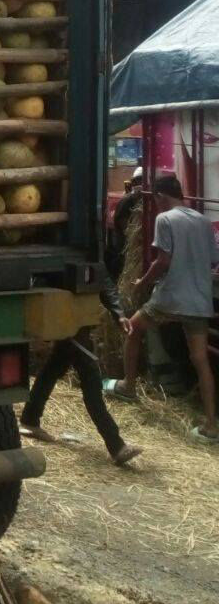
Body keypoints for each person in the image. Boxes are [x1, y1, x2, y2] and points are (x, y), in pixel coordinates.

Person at [104, 172, 219, 443]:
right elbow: (213, 261)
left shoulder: (164, 219)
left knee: (132, 328)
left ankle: (128, 386)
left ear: (160, 196)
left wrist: (142, 283)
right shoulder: (203, 222)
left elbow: (163, 261)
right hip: (199, 302)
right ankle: (212, 426)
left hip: (170, 298)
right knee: (201, 361)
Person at [19, 269, 142, 465]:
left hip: (79, 320)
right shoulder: (60, 249)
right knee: (91, 380)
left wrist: (118, 312)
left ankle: (30, 418)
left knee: (53, 369)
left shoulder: (90, 247)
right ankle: (116, 445)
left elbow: (102, 277)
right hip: (66, 320)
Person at [106, 166, 143, 283]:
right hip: (125, 249)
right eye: (139, 181)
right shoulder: (127, 200)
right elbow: (125, 227)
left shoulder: (138, 199)